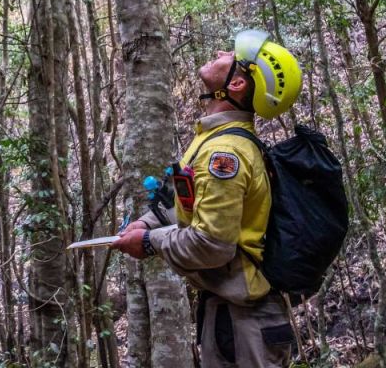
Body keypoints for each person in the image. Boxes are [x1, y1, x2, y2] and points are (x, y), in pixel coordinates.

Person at [114, 29, 302, 368]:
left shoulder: (224, 154)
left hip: (246, 325)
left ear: (236, 85)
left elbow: (212, 244)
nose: (219, 52)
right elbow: (191, 208)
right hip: (230, 317)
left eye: (231, 57)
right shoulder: (215, 139)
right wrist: (149, 221)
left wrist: (150, 242)